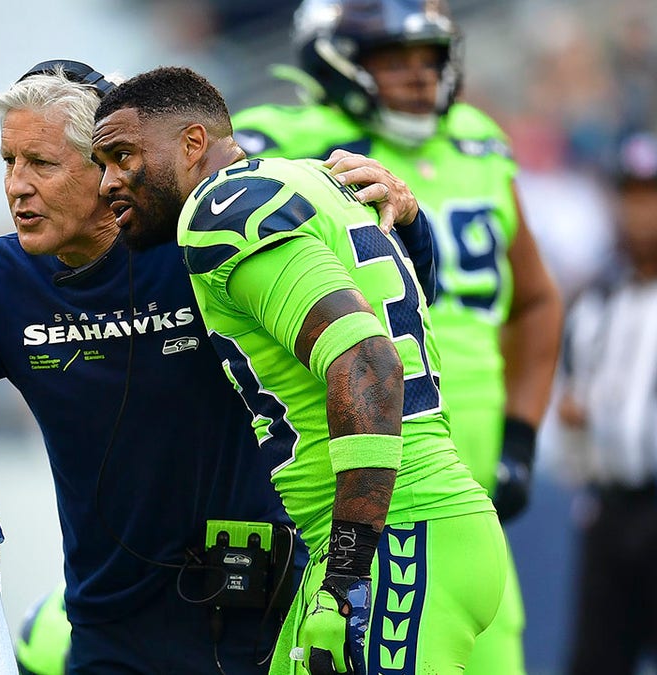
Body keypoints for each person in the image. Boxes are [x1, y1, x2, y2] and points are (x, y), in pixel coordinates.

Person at [0, 60, 420, 674]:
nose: (16, 186)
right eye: (8, 162)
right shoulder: (1, 279)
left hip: (263, 612)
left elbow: (391, 325)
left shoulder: (200, 239)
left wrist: (409, 222)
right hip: (107, 627)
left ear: (109, 166)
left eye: (40, 163)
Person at [92, 66, 508, 674]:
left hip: (398, 536)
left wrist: (346, 578)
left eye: (123, 155)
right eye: (100, 163)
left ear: (191, 143)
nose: (108, 182)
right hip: (400, 530)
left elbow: (370, 361)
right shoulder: (311, 177)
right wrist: (413, 227)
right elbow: (410, 301)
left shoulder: (218, 212)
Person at [228, 4, 563, 671]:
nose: (417, 77)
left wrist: (520, 436)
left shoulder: (478, 141)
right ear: (336, 59)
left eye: (429, 59)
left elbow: (536, 299)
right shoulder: (285, 142)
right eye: (392, 59)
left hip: (461, 480)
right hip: (353, 481)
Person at [555, 132, 657, 675]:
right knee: (596, 660)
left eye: (652, 196)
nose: (642, 213)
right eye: (632, 196)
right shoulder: (595, 304)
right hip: (611, 509)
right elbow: (569, 412)